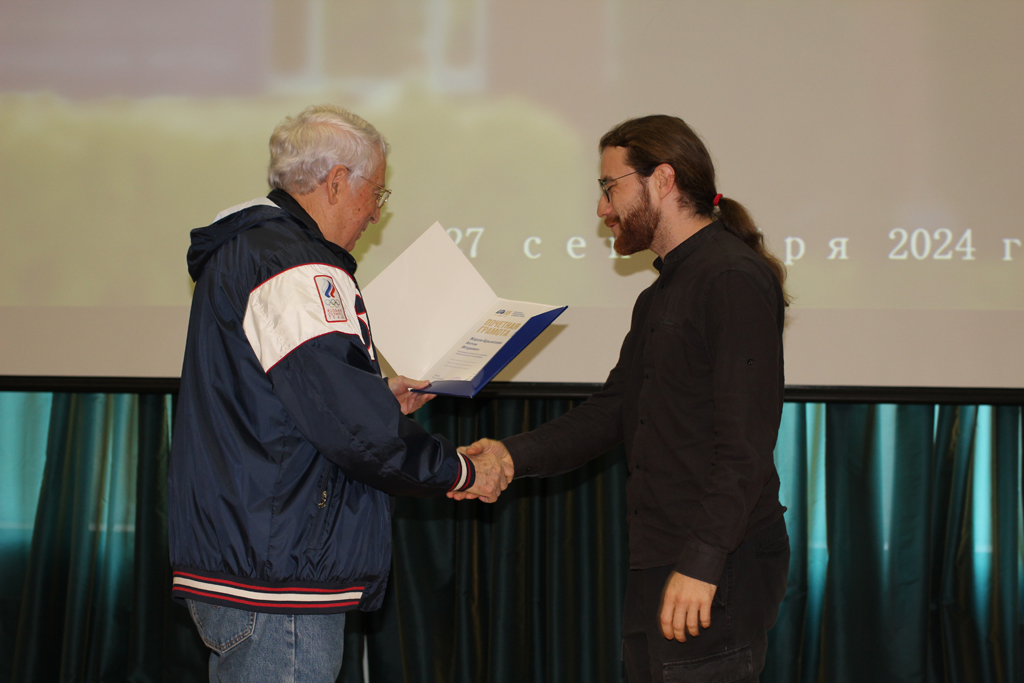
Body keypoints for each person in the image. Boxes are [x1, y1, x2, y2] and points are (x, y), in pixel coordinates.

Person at [167, 104, 505, 683]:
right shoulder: (294, 266)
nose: (376, 211)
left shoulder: (252, 252)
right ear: (337, 181)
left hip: (255, 556)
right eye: (377, 193)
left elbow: (286, 400)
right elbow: (348, 425)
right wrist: (461, 471)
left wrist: (374, 396)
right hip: (279, 571)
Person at [457, 115, 791, 683]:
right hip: (662, 559)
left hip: (716, 566)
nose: (602, 208)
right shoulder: (658, 295)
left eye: (609, 187)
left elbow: (746, 446)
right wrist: (510, 457)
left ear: (662, 180)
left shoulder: (731, 277)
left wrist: (703, 561)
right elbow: (613, 411)